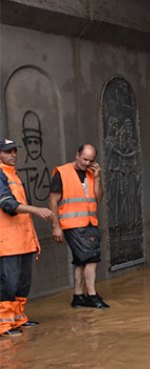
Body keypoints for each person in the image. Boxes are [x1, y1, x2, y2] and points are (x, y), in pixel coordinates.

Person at [0, 139, 53, 336]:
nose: (13, 155)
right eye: (7, 152)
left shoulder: (13, 175)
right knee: (8, 283)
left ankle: (18, 319)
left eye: (14, 151)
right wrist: (36, 210)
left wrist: (33, 239)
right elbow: (8, 205)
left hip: (23, 240)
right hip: (7, 242)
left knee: (22, 283)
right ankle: (4, 325)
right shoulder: (1, 175)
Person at [49, 144, 109, 309]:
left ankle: (78, 296)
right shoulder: (63, 173)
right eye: (84, 159)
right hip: (72, 224)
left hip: (89, 222)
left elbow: (98, 198)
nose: (86, 163)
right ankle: (91, 295)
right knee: (91, 258)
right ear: (77, 155)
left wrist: (97, 178)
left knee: (81, 261)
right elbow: (53, 201)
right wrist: (56, 226)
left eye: (91, 160)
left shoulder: (91, 173)